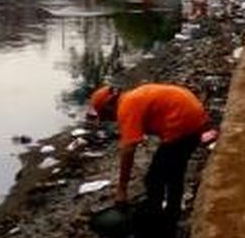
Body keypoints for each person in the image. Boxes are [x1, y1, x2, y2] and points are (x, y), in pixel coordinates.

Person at [88, 83, 212, 226]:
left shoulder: (126, 107)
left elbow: (128, 149)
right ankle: (172, 215)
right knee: (175, 173)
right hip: (194, 118)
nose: (110, 120)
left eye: (106, 116)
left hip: (182, 124)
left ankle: (155, 223)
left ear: (109, 107)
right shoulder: (132, 97)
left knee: (154, 179)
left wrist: (122, 189)